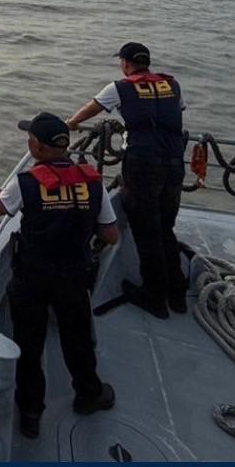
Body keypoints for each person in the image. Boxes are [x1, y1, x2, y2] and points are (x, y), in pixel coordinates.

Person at [0, 112, 118, 439]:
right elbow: (111, 234)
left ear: (39, 148)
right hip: (73, 276)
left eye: (30, 138)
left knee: (28, 344)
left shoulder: (26, 182)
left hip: (31, 277)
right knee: (77, 338)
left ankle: (31, 413)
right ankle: (89, 394)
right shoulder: (92, 181)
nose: (28, 142)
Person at [66, 42, 186, 319]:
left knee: (147, 229)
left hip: (143, 164)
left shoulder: (120, 87)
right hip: (175, 162)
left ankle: (154, 298)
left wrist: (71, 123)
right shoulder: (172, 84)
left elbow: (91, 109)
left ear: (126, 63)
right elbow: (174, 115)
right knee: (166, 227)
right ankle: (177, 294)